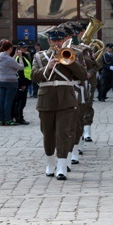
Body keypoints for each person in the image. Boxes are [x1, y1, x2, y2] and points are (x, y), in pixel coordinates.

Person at [31, 27, 87, 180]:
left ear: (64, 41)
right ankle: (50, 163)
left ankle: (62, 166)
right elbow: (33, 76)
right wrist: (47, 67)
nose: (57, 43)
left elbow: (82, 75)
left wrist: (70, 61)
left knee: (64, 133)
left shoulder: (73, 55)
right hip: (46, 98)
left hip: (66, 99)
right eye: (54, 40)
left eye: (59, 40)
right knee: (48, 133)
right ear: (49, 41)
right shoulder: (39, 56)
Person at [0, 40, 24, 126]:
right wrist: (20, 57)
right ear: (10, 48)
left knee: (2, 100)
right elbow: (21, 67)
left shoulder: (0, 56)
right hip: (11, 81)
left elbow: (8, 62)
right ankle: (8, 119)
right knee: (8, 101)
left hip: (2, 80)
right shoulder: (8, 59)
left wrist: (15, 55)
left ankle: (2, 120)